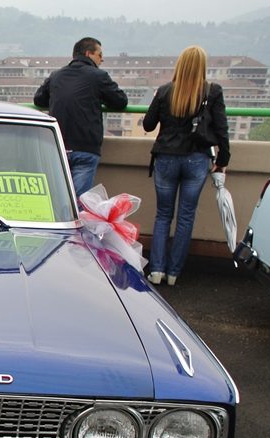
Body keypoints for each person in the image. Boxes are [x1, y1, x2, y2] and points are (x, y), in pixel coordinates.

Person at [142, 45, 230, 286]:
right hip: (197, 159)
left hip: (166, 157)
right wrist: (223, 160)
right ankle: (173, 273)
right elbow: (221, 129)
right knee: (185, 217)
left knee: (163, 216)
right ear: (202, 66)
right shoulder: (212, 91)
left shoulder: (164, 91)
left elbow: (148, 125)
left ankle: (157, 270)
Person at [34, 37, 127, 200]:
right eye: (100, 54)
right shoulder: (98, 76)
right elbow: (120, 101)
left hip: (58, 146)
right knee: (80, 203)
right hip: (86, 147)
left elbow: (39, 100)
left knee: (57, 199)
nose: (102, 59)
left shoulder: (57, 75)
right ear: (88, 53)